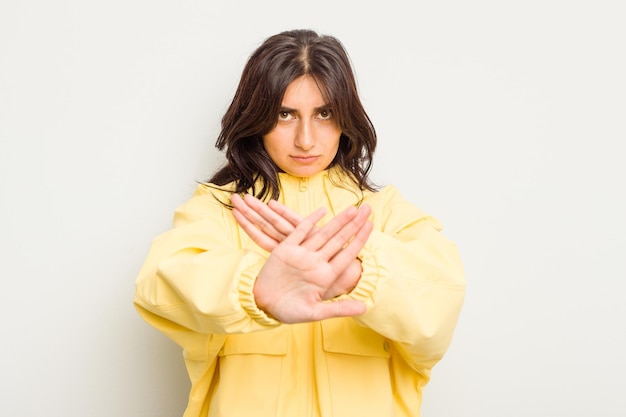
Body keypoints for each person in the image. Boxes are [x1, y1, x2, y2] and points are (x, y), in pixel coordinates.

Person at [134, 29, 465, 417]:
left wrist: (354, 274)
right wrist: (255, 290)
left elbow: (441, 305)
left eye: (324, 114)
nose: (306, 140)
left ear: (345, 118)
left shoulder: (386, 211)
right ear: (257, 117)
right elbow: (158, 283)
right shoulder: (221, 208)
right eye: (284, 114)